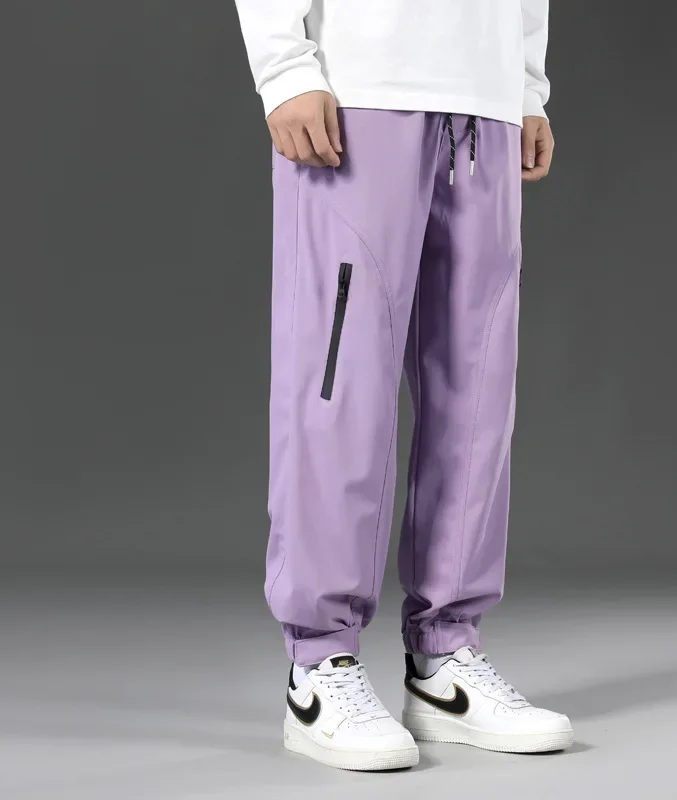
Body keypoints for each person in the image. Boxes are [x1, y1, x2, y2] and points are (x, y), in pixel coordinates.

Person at [234, 0, 574, 771]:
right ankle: (318, 665)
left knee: (476, 391)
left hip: (483, 98)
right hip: (360, 87)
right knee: (340, 383)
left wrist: (525, 85)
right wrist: (286, 68)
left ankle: (445, 660)